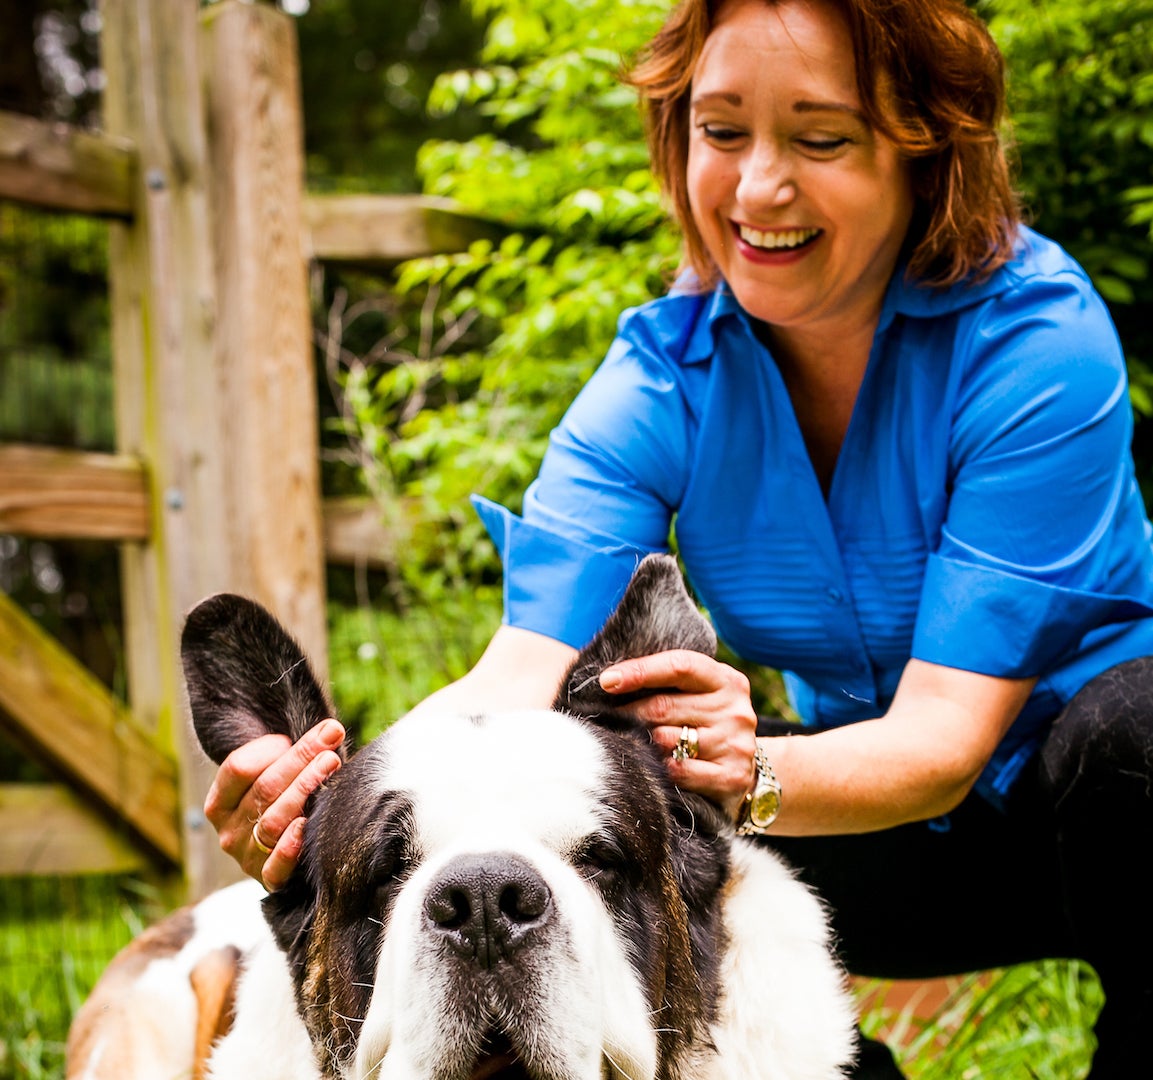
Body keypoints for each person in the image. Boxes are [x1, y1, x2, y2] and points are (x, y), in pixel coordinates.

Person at [205, 0, 1153, 1075]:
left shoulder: (1038, 342)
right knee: (649, 816)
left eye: (820, 137)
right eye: (721, 131)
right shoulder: (663, 374)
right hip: (865, 825)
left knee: (1138, 732)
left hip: (1096, 822)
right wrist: (317, 800)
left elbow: (942, 745)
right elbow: (520, 676)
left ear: (925, 149)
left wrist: (746, 771)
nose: (756, 188)